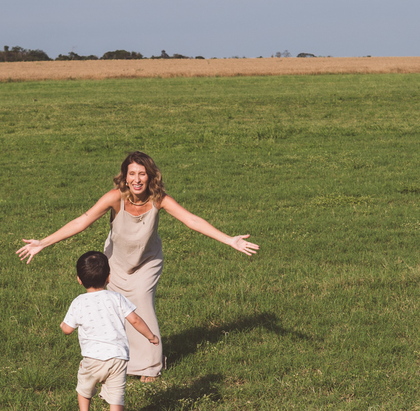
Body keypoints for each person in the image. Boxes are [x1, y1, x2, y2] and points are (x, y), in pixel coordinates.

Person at [18, 151, 258, 381]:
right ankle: (118, 361)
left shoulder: (159, 199)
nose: (136, 179)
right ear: (125, 177)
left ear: (150, 176)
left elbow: (191, 219)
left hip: (147, 262)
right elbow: (83, 220)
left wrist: (229, 239)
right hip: (116, 263)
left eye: (142, 173)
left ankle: (150, 366)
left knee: (141, 305)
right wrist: (43, 243)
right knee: (117, 313)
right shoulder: (115, 198)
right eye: (131, 174)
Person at [61, 251, 159, 411]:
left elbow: (67, 329)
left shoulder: (78, 302)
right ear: (109, 277)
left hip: (92, 358)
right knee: (116, 397)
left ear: (79, 280)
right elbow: (136, 320)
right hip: (118, 358)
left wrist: (63, 325)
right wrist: (151, 336)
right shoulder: (117, 298)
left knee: (84, 388)